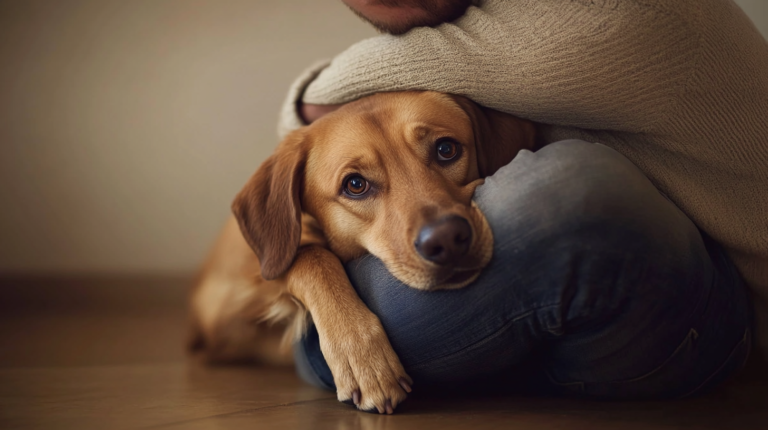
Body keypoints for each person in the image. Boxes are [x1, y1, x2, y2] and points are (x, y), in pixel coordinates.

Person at [280, 0, 767, 403]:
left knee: (569, 187)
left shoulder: (624, 10)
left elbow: (314, 108)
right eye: (358, 186)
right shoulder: (459, 75)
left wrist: (306, 101)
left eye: (446, 152)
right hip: (591, 301)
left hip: (729, 314)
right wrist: (316, 278)